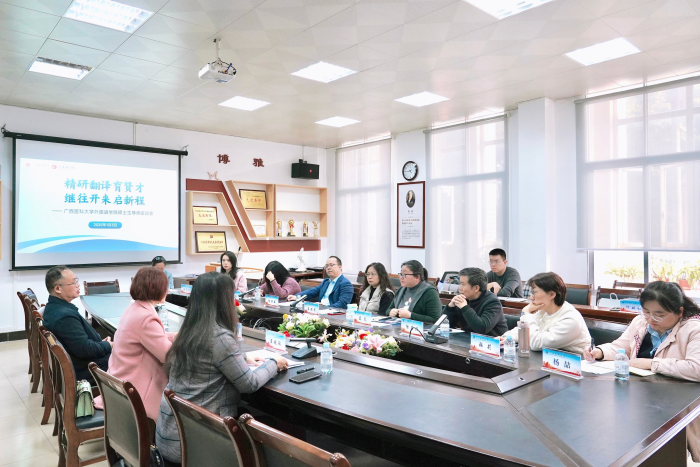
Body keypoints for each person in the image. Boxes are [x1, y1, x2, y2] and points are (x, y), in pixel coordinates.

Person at [156, 272, 288, 465]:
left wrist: (243, 357)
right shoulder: (219, 336)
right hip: (196, 445)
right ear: (222, 301)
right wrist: (274, 363)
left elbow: (205, 358)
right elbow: (249, 384)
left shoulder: (189, 329)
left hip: (171, 435)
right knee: (271, 427)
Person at [584, 281, 700, 460]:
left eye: (659, 314)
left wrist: (652, 363)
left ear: (679, 311)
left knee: (664, 452)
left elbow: (696, 368)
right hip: (640, 397)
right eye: (646, 312)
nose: (651, 319)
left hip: (676, 402)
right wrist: (599, 352)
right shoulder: (640, 322)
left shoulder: (694, 328)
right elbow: (621, 348)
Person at [94, 267, 175, 422]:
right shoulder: (146, 317)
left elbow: (151, 337)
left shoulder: (134, 308)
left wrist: (176, 336)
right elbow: (167, 355)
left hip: (121, 380)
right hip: (135, 390)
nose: (168, 290)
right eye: (165, 286)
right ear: (156, 289)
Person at [42, 266, 112, 383]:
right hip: (88, 370)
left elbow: (80, 344)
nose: (78, 285)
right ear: (58, 288)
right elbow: (85, 350)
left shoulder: (54, 307)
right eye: (73, 282)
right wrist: (108, 345)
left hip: (85, 362)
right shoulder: (64, 317)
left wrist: (100, 344)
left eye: (77, 281)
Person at [501, 272, 591, 354]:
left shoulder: (570, 319)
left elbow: (536, 343)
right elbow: (526, 331)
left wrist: (526, 314)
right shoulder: (543, 311)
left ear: (552, 294)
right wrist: (507, 338)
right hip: (547, 359)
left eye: (534, 292)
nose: (531, 297)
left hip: (574, 363)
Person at [444, 268, 507, 336]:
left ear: (476, 288)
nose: (460, 288)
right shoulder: (464, 299)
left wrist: (465, 308)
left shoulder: (493, 302)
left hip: (490, 341)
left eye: (463, 284)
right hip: (467, 339)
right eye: (460, 284)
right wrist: (450, 307)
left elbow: (482, 329)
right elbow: (444, 325)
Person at [287, 256, 353, 309]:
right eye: (326, 266)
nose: (328, 268)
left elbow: (343, 304)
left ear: (340, 266)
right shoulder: (326, 282)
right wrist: (297, 297)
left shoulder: (345, 284)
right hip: (320, 310)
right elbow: (312, 292)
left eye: (331, 265)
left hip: (332, 313)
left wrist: (325, 307)